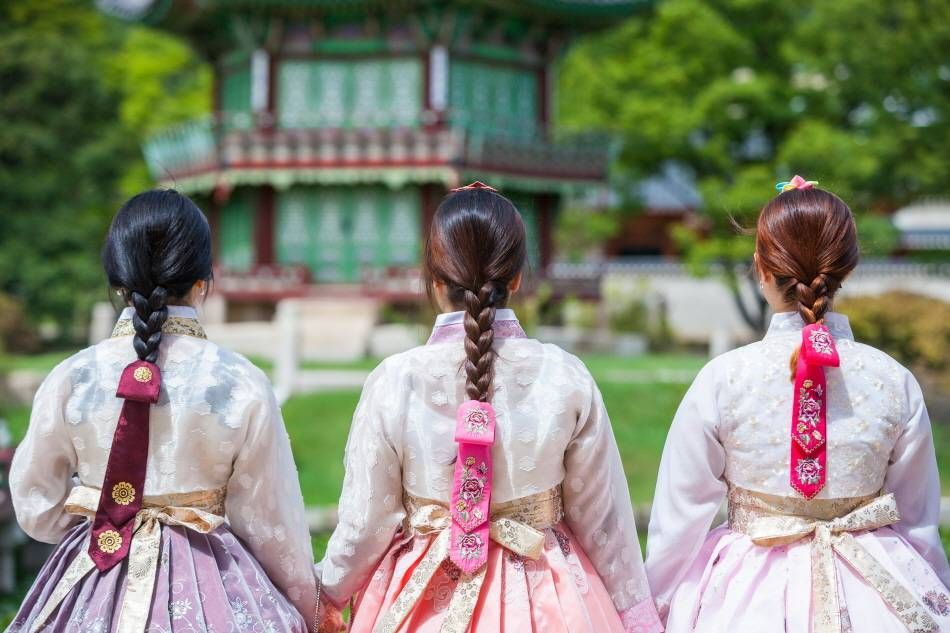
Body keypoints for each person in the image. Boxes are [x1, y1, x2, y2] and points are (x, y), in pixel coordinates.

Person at [315, 182, 663, 633]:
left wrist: (326, 594)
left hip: (423, 598)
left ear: (436, 281)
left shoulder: (394, 379)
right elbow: (605, 523)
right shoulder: (565, 375)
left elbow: (366, 524)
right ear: (516, 278)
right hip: (550, 598)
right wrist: (637, 615)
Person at [646, 176, 950, 632]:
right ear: (846, 267)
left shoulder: (723, 378)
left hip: (746, 596)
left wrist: (656, 605)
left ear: (761, 267)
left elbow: (680, 519)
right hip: (876, 591)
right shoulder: (893, 380)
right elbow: (918, 519)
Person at [8, 190, 318, 632]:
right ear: (201, 281)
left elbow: (35, 503)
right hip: (215, 587)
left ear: (117, 281)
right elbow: (271, 523)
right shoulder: (239, 380)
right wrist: (305, 603)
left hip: (96, 571)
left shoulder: (71, 377)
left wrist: (106, 519)